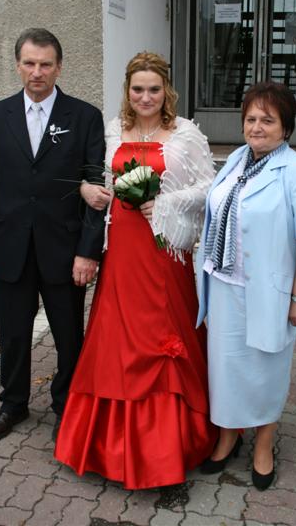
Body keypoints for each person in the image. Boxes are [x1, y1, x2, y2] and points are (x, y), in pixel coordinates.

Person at [54, 51, 218, 489]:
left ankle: (169, 446)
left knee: (164, 330)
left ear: (166, 91)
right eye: (138, 89)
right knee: (117, 335)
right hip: (122, 249)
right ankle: (106, 443)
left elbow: (209, 187)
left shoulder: (185, 134)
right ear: (127, 91)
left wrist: (166, 202)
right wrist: (87, 189)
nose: (146, 97)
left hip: (163, 248)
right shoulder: (112, 131)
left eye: (154, 89)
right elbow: (93, 177)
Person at [0, 28, 105, 442]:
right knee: (12, 334)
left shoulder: (84, 117)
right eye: (29, 63)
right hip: (10, 246)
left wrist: (88, 251)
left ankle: (66, 405)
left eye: (45, 64)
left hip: (64, 249)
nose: (37, 72)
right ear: (18, 66)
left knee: (68, 335)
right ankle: (13, 404)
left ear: (59, 67)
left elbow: (97, 189)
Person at [196, 82, 296, 490]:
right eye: (251, 119)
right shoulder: (235, 160)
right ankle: (227, 437)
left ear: (285, 128)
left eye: (268, 121)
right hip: (224, 284)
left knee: (266, 370)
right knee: (225, 368)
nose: (257, 127)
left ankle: (263, 444)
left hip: (269, 293)